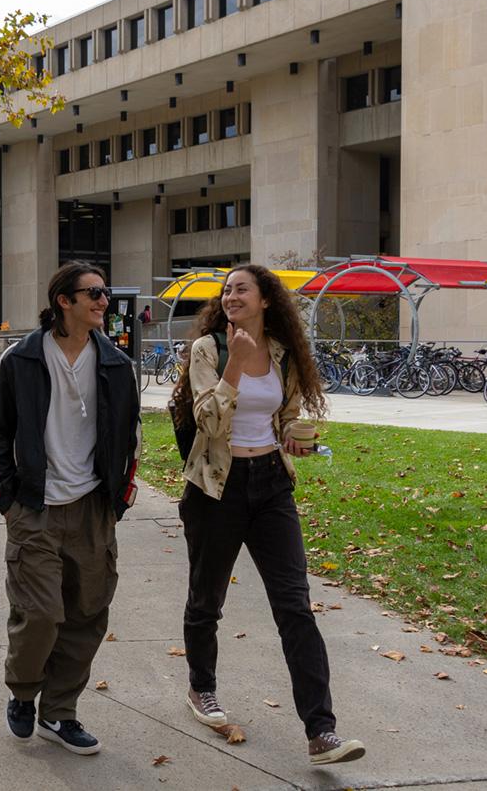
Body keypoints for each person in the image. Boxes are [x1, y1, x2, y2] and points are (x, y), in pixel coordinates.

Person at [169, 264, 365, 766]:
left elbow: (284, 412)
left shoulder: (281, 351)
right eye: (227, 290)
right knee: (205, 600)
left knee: (295, 606)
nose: (231, 296)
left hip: (272, 487)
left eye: (241, 289)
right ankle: (202, 688)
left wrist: (293, 438)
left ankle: (322, 731)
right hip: (217, 487)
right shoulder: (208, 350)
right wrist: (234, 365)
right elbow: (208, 422)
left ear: (266, 300)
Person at [0, 261, 141, 756]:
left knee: (88, 613)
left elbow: (132, 437)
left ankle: (60, 712)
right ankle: (24, 693)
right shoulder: (21, 359)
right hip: (35, 506)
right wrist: (8, 501)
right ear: (63, 301)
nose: (103, 301)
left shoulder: (116, 363)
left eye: (105, 293)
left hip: (93, 506)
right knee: (42, 613)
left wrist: (118, 501)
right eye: (92, 293)